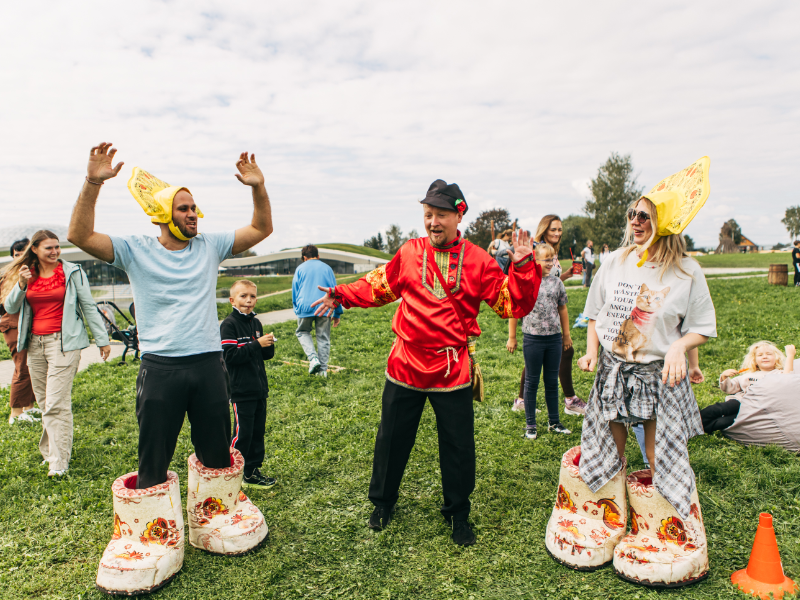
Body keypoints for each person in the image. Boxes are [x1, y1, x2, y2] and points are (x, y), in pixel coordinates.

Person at [67, 143, 273, 595]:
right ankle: (150, 537)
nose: (194, 213)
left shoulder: (210, 245)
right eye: (184, 207)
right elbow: (80, 235)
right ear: (164, 213)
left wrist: (258, 188)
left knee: (216, 447)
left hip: (207, 366)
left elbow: (262, 227)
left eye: (195, 205)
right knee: (152, 455)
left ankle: (215, 522)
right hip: (160, 367)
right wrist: (93, 182)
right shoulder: (135, 250)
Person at [311, 179, 541, 546]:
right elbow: (378, 285)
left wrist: (525, 266)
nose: (433, 222)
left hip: (452, 369)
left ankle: (458, 513)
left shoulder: (480, 261)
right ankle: (383, 503)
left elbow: (512, 304)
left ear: (459, 214)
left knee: (458, 446)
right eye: (427, 214)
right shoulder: (409, 253)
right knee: (391, 440)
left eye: (440, 214)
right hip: (405, 363)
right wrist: (341, 294)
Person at [546, 157, 716, 586]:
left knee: (660, 459)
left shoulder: (687, 271)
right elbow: (595, 312)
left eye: (644, 214)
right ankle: (610, 523)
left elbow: (703, 328)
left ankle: (670, 533)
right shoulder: (616, 261)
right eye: (632, 214)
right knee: (610, 454)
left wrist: (681, 347)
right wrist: (589, 354)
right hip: (614, 372)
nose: (635, 220)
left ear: (664, 221)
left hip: (659, 376)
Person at [2, 230, 111, 476]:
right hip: (35, 345)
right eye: (48, 248)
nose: (54, 252)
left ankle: (58, 463)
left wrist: (102, 340)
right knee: (44, 403)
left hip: (64, 343)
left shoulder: (72, 272)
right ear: (35, 250)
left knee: (55, 403)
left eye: (57, 247)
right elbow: (9, 307)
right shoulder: (27, 274)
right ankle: (51, 452)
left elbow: (88, 307)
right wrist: (21, 284)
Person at [511, 215, 586, 415]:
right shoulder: (538, 251)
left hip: (550, 315)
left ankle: (523, 399)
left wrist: (566, 275)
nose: (557, 233)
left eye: (560, 229)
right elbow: (530, 282)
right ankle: (568, 400)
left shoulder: (550, 252)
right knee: (545, 356)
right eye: (553, 229)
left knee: (541, 357)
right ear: (544, 230)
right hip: (538, 316)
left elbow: (548, 282)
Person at [506, 244, 571, 439]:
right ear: (535, 261)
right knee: (531, 382)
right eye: (546, 260)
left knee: (551, 382)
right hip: (532, 339)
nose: (551, 263)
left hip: (553, 339)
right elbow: (514, 310)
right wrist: (512, 337)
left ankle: (554, 422)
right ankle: (531, 426)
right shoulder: (526, 282)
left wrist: (566, 335)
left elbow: (563, 309)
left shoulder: (557, 283)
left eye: (552, 259)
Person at [221, 279, 277, 489]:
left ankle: (251, 472)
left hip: (258, 389)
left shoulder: (256, 323)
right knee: (242, 434)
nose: (248, 300)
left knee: (256, 433)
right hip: (241, 390)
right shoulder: (229, 324)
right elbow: (230, 356)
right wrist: (256, 344)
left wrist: (267, 345)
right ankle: (230, 471)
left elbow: (263, 356)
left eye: (252, 296)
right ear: (232, 300)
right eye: (243, 296)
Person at [701, 341, 794, 433]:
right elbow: (730, 388)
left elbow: (787, 380)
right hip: (740, 402)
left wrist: (790, 356)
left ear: (776, 358)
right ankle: (693, 423)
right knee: (716, 409)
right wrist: (725, 376)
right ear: (755, 361)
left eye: (769, 354)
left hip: (756, 409)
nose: (765, 356)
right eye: (760, 355)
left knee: (724, 422)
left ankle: (701, 428)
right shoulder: (749, 375)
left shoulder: (778, 373)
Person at [0, 238, 40, 425]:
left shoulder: (33, 272)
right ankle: (15, 413)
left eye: (22, 254)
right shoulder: (9, 274)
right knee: (22, 367)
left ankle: (29, 407)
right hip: (13, 324)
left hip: (26, 324)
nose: (19, 258)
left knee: (30, 365)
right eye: (16, 255)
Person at [292, 244, 342, 376]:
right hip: (324, 306)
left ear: (304, 258)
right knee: (323, 337)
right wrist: (337, 312)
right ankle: (323, 371)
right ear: (318, 256)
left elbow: (295, 290)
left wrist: (296, 307)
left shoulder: (300, 268)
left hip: (305, 306)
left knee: (302, 331)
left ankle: (313, 358)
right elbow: (335, 290)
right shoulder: (327, 268)